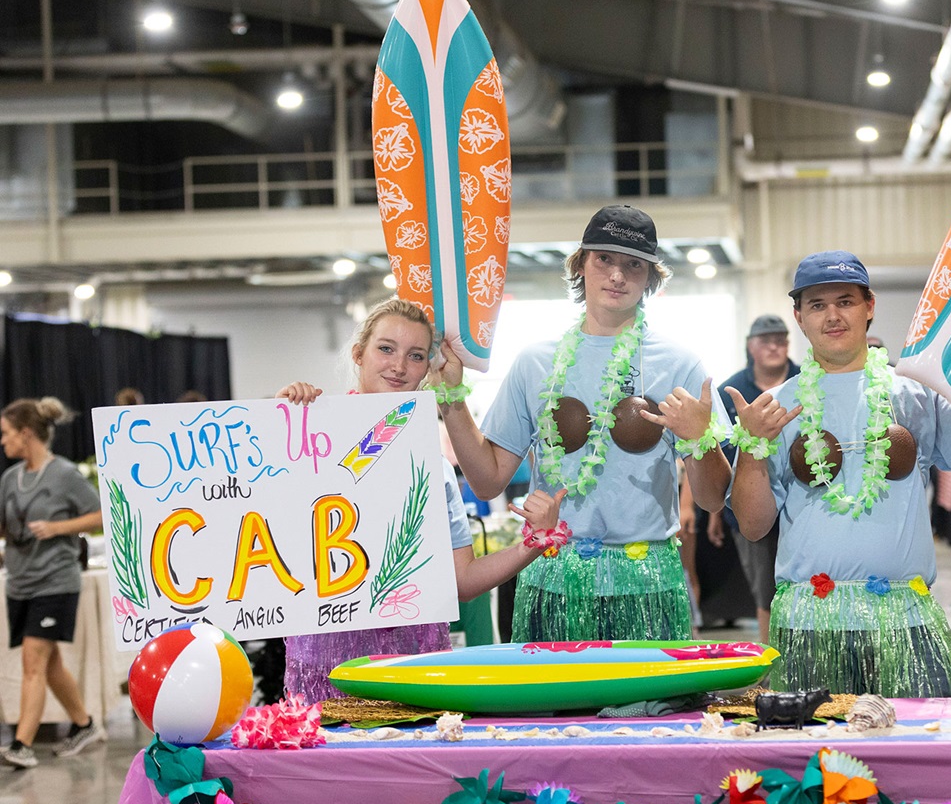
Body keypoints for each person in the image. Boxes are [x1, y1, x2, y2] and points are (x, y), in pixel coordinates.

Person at [726, 250, 951, 697]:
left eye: (845, 301)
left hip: (908, 620)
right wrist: (752, 446)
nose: (833, 315)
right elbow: (753, 523)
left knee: (922, 759)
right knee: (813, 764)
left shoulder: (914, 391)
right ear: (799, 317)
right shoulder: (777, 408)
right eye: (817, 305)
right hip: (811, 624)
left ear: (869, 306)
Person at [438, 205, 732, 643]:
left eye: (633, 265)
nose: (617, 276)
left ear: (651, 277)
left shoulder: (679, 363)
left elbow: (711, 499)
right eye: (604, 259)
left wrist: (701, 438)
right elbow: (487, 482)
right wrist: (451, 397)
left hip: (647, 583)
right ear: (580, 264)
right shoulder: (536, 361)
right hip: (554, 580)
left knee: (651, 713)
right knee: (552, 713)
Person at [275, 299, 565, 703]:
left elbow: (462, 582)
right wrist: (278, 421)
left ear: (428, 369)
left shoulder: (433, 463)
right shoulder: (305, 441)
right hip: (326, 666)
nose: (398, 365)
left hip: (412, 665)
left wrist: (535, 543)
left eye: (415, 356)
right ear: (359, 353)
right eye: (386, 348)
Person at [1, 398, 104, 768]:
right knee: (49, 662)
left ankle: (21, 745)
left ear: (26, 434)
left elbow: (102, 514)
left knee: (33, 660)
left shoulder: (64, 475)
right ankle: (85, 724)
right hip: (20, 583)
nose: (3, 441)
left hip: (56, 582)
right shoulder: (9, 479)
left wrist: (57, 527)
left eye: (6, 434)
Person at [708, 314, 800, 643]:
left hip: (800, 505)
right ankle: (772, 666)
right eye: (766, 340)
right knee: (765, 590)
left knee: (805, 585)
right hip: (746, 506)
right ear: (751, 346)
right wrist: (714, 512)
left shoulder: (807, 384)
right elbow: (709, 452)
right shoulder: (731, 391)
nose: (775, 346)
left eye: (781, 339)